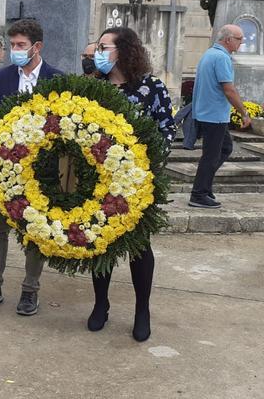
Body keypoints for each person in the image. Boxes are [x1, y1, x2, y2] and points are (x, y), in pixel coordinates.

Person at [0, 18, 64, 316]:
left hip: (40, 173)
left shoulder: (55, 80)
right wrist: (0, 143)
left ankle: (30, 290)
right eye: (13, 45)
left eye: (21, 45)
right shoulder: (3, 78)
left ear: (37, 46)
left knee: (33, 229)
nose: (15, 50)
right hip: (4, 169)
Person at [87, 26, 175, 342]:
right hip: (96, 184)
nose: (99, 53)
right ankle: (101, 303)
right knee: (101, 243)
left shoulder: (151, 88)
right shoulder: (91, 88)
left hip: (137, 183)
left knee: (139, 246)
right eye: (97, 47)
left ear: (124, 50)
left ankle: (142, 310)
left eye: (104, 47)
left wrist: (144, 162)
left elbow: (166, 130)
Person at [189, 25, 251, 209]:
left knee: (225, 148)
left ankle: (204, 186)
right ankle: (199, 193)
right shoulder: (222, 58)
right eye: (239, 39)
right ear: (228, 39)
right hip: (214, 114)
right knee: (211, 155)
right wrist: (243, 112)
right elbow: (229, 90)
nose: (242, 42)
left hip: (207, 112)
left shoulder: (209, 54)